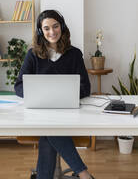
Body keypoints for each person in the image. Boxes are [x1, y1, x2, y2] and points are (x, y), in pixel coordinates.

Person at [15, 10, 94, 179]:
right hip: (39, 112)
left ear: (62, 27)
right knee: (49, 127)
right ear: (40, 31)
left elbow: (85, 87)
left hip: (68, 113)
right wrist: (37, 94)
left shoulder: (74, 54)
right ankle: (83, 173)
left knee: (48, 131)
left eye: (55, 26)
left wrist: (68, 94)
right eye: (46, 28)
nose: (52, 32)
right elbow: (19, 86)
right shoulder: (33, 55)